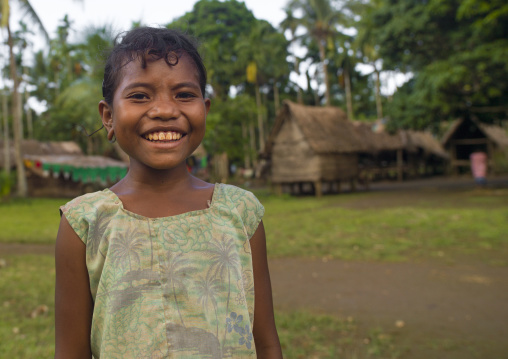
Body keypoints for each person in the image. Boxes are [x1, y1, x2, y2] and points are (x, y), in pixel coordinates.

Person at [55, 27, 282, 359]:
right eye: (140, 96)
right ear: (108, 117)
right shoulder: (84, 224)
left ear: (204, 108)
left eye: (184, 95)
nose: (164, 110)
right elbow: (70, 353)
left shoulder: (241, 212)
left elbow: (265, 342)